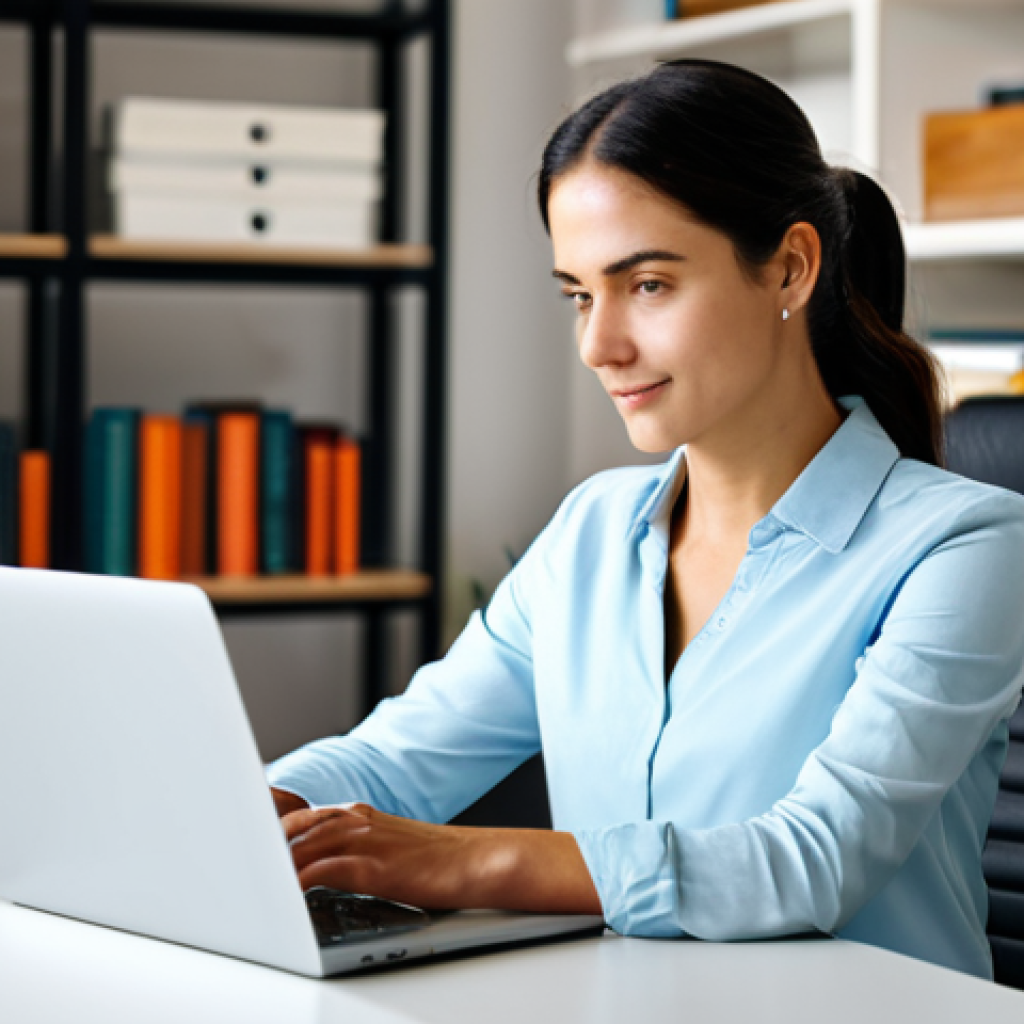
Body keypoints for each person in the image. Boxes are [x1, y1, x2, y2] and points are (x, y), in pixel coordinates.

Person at [268, 59, 1024, 979]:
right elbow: (395, 762)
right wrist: (253, 806)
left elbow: (816, 858)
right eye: (580, 294)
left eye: (649, 285)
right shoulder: (593, 531)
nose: (598, 344)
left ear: (790, 267)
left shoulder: (965, 546)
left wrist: (470, 857)